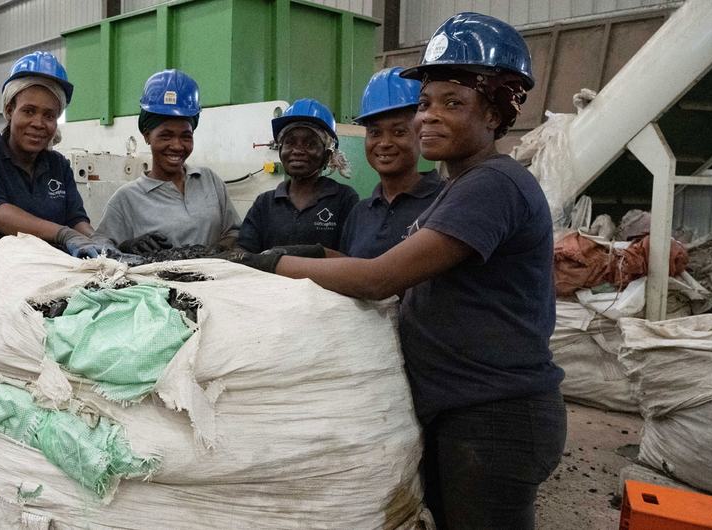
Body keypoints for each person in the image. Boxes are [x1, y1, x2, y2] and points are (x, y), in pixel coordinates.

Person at [236, 13, 565, 529]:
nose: (427, 118)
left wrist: (271, 262)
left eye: (452, 103)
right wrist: (319, 256)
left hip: (494, 416)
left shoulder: (492, 185)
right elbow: (387, 270)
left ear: (498, 111)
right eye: (426, 103)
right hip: (464, 409)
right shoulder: (463, 188)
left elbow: (381, 280)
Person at [0, 51, 111, 317]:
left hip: (48, 300)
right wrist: (63, 234)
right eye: (29, 111)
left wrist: (97, 241)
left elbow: (75, 219)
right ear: (9, 110)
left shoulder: (58, 165)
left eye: (49, 115)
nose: (39, 123)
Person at [96, 69, 242, 254]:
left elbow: (234, 232)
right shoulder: (126, 199)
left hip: (211, 281)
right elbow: (100, 248)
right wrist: (126, 247)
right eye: (166, 136)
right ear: (147, 136)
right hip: (156, 283)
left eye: (186, 136)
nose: (177, 146)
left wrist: (217, 250)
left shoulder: (210, 181)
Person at [340, 68, 444, 258]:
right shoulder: (360, 213)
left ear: (421, 133)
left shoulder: (444, 201)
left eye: (399, 132)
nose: (385, 143)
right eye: (375, 133)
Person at [237, 99, 359, 254]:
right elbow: (245, 251)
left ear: (327, 155)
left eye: (310, 144)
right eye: (289, 142)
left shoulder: (344, 199)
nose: (298, 150)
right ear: (280, 150)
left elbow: (352, 259)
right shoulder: (265, 203)